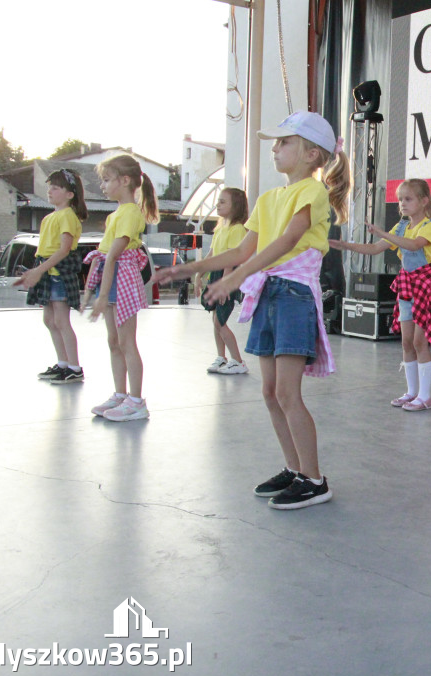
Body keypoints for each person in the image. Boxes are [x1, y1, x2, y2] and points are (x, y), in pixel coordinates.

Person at [157, 111, 352, 510]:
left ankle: (315, 480)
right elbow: (244, 249)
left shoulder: (312, 193)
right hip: (268, 295)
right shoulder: (268, 198)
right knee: (268, 392)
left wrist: (234, 279)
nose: (276, 148)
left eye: (285, 142)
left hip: (294, 295)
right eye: (275, 142)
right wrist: (189, 267)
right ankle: (294, 468)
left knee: (286, 391)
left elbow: (287, 242)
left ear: (312, 154)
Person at [329, 179, 431, 411]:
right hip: (407, 283)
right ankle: (412, 392)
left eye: (408, 199)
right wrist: (344, 245)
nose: (402, 204)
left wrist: (383, 232)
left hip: (426, 283)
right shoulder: (400, 227)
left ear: (424, 201)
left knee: (419, 341)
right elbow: (374, 249)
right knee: (406, 341)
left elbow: (414, 245)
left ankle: (425, 396)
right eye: (400, 199)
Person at [82, 154, 159, 421]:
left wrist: (101, 296)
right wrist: (92, 292)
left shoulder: (129, 213)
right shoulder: (117, 213)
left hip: (122, 279)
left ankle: (136, 401)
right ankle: (120, 394)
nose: (102, 186)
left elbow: (113, 255)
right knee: (114, 341)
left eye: (106, 180)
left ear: (125, 180)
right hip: (111, 277)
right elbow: (103, 255)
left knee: (127, 342)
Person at [16, 169, 88, 383]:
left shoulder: (68, 216)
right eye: (50, 187)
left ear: (70, 194)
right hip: (47, 271)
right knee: (49, 319)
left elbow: (64, 249)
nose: (50, 191)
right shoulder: (50, 217)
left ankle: (75, 367)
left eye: (56, 187)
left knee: (61, 320)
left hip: (59, 272)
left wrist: (38, 270)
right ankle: (63, 363)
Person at [202, 187, 249, 375]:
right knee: (215, 318)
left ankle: (238, 361)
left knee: (220, 321)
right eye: (218, 201)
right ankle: (221, 357)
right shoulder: (220, 228)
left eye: (223, 202)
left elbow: (232, 259)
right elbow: (212, 253)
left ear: (235, 206)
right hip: (216, 275)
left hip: (227, 277)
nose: (217, 205)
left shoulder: (237, 229)